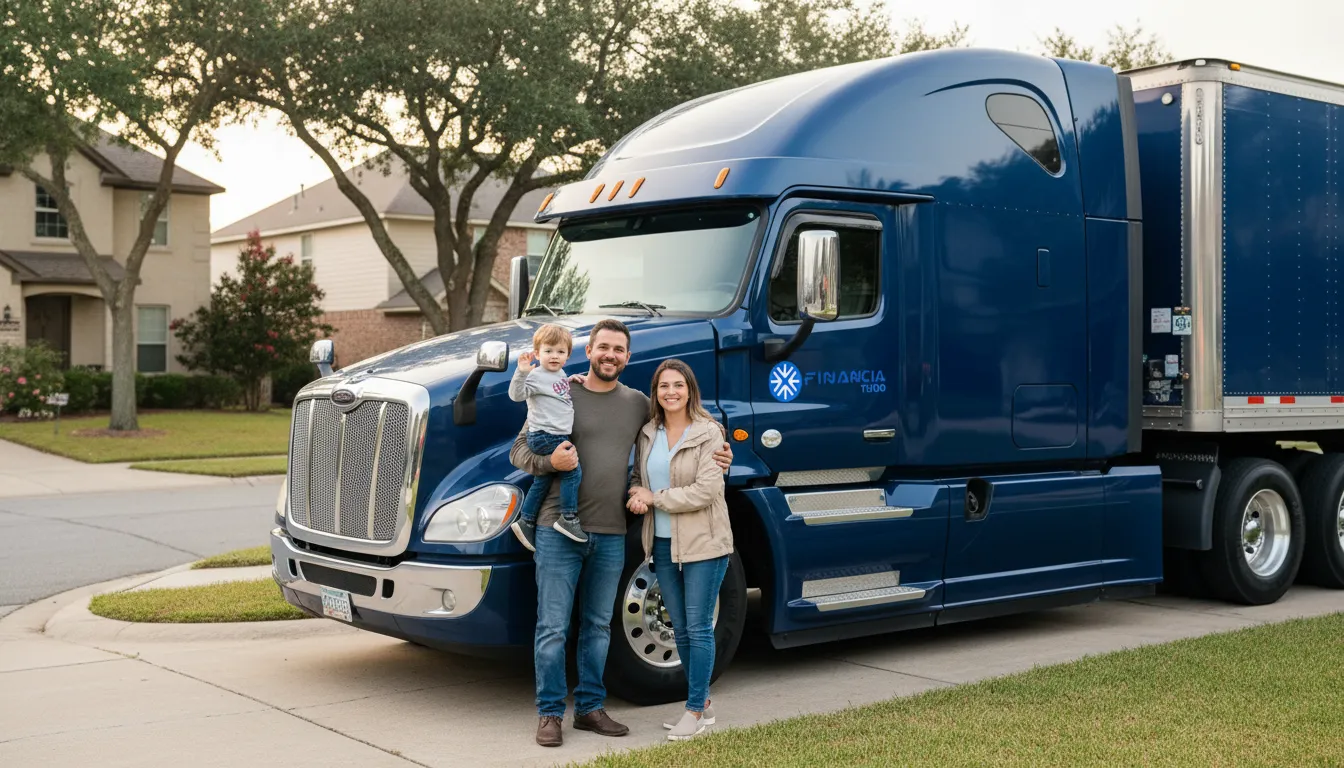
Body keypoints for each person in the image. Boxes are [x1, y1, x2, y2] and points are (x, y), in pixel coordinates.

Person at [509, 318, 733, 748]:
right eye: (603, 347)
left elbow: (668, 444)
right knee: (553, 626)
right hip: (558, 528)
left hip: (611, 532)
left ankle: (591, 708)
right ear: (588, 351)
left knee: (598, 626)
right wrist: (548, 464)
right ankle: (551, 713)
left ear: (627, 358)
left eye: (619, 350)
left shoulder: (636, 406)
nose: (610, 355)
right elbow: (520, 449)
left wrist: (722, 451)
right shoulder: (559, 389)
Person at [626, 359, 733, 741]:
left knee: (699, 627)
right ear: (655, 392)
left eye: (678, 385)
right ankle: (701, 707)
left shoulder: (709, 433)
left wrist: (654, 498)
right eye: (663, 386)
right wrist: (638, 495)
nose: (671, 392)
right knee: (682, 630)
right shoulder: (647, 433)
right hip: (663, 543)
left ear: (690, 390)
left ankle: (694, 709)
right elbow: (640, 479)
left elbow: (707, 490)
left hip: (705, 541)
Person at [508, 323, 586, 550]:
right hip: (546, 435)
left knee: (543, 479)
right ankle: (568, 518)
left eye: (560, 352)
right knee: (572, 471)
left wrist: (571, 380)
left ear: (568, 355)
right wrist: (521, 371)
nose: (554, 356)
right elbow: (516, 395)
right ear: (537, 353)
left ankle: (526, 521)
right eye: (548, 351)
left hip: (550, 434)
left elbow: (555, 391)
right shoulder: (535, 376)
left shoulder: (558, 374)